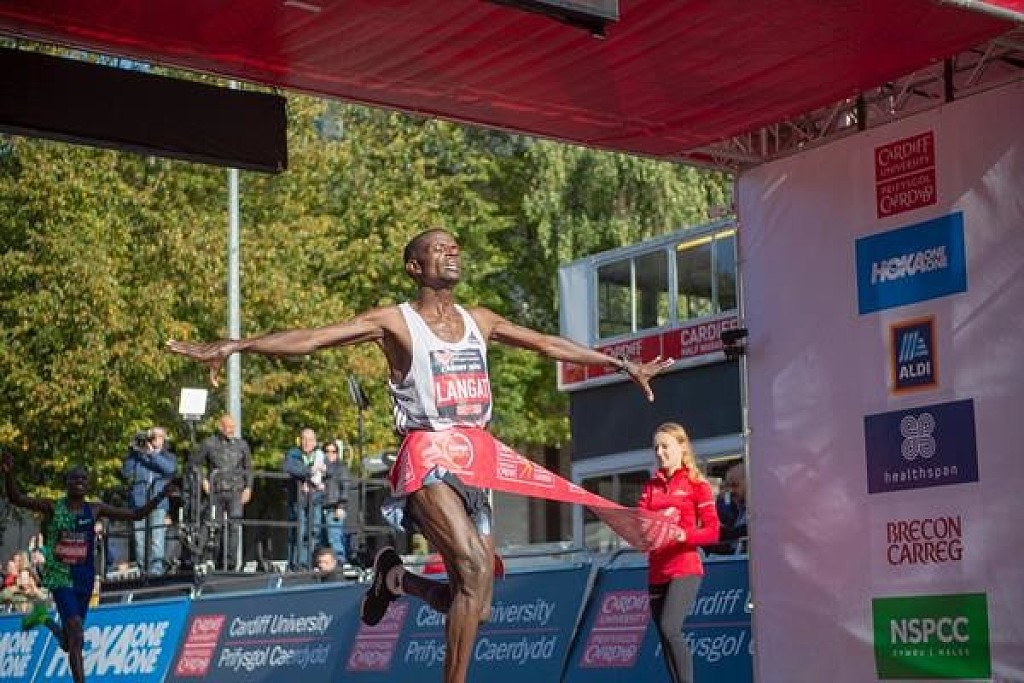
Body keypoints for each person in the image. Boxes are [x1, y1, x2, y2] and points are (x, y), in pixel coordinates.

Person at [167, 227, 672, 683]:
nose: (452, 252)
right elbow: (315, 338)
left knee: (476, 605)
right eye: (439, 248)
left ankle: (395, 579)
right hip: (426, 454)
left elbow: (546, 343)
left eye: (455, 247)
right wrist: (239, 345)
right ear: (415, 266)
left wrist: (620, 363)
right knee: (473, 568)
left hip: (475, 458)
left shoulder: (479, 320)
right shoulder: (397, 322)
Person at [2, 454, 176, 683]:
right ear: (67, 483)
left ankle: (44, 618)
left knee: (71, 641)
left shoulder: (95, 510)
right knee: (75, 631)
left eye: (84, 479)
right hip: (61, 575)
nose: (80, 482)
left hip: (84, 577)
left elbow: (136, 515)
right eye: (75, 479)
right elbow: (16, 498)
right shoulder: (52, 506)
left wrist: (161, 495)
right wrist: (8, 473)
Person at [638, 423, 720, 683]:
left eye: (665, 446)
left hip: (684, 567)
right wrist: (639, 533)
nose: (660, 453)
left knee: (670, 627)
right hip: (657, 570)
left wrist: (684, 535)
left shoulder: (697, 484)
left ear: (681, 447)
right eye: (656, 448)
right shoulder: (651, 486)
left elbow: (713, 532)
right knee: (664, 636)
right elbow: (640, 522)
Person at [189, 414, 252, 571]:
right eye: (228, 427)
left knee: (234, 527)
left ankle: (231, 563)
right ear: (220, 427)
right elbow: (194, 464)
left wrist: (248, 487)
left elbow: (248, 468)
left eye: (233, 427)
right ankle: (210, 559)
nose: (231, 430)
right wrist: (203, 480)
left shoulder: (242, 445)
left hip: (236, 491)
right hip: (215, 491)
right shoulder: (209, 443)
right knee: (213, 525)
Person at [121, 426, 177, 575]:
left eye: (158, 436)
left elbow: (170, 469)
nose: (154, 439)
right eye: (152, 436)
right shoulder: (139, 456)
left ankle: (156, 571)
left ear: (163, 439)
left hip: (158, 502)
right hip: (139, 502)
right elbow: (126, 473)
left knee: (156, 538)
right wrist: (132, 453)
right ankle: (142, 570)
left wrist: (152, 454)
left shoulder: (168, 456)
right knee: (140, 539)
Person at [282, 428, 326, 570]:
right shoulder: (293, 454)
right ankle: (296, 564)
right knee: (298, 532)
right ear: (299, 440)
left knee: (314, 532)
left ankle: (309, 562)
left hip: (315, 499)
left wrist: (324, 476)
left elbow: (330, 469)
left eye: (310, 439)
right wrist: (309, 472)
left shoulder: (320, 455)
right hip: (298, 500)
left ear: (315, 441)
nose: (307, 442)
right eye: (304, 439)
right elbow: (289, 467)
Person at [706, 461, 748, 556]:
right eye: (728, 486)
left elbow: (744, 532)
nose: (730, 491)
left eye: (735, 485)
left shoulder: (758, 512)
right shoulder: (739, 511)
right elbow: (733, 545)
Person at [322, 438, 352, 564]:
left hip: (334, 507)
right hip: (320, 507)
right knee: (322, 538)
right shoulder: (320, 467)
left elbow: (345, 487)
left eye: (333, 451)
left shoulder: (341, 467)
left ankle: (340, 562)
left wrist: (341, 506)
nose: (330, 454)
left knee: (335, 537)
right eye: (327, 451)